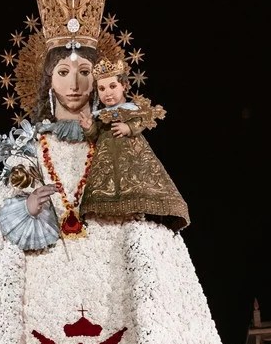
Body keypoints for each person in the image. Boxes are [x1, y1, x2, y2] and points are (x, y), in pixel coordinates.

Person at [78, 56, 189, 229]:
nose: (107, 92)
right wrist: (88, 127)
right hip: (106, 159)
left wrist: (128, 128)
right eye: (101, 88)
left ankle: (138, 214)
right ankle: (109, 219)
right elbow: (95, 135)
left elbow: (141, 121)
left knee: (137, 183)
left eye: (112, 86)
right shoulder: (100, 115)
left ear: (124, 86)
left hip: (133, 156)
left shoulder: (132, 109)